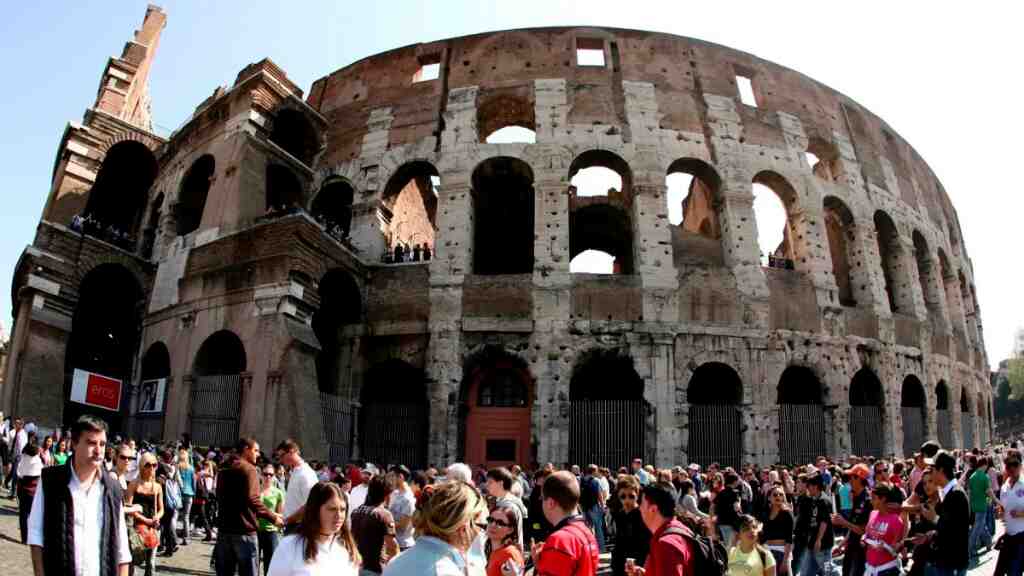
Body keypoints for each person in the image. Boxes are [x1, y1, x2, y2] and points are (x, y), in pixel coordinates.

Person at [27, 415, 132, 576]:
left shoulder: (113, 489)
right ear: (74, 443)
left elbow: (122, 551)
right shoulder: (51, 480)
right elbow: (36, 535)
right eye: (91, 443)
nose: (98, 450)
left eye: (102, 444)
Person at [382, 480, 488, 576]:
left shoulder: (397, 561)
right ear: (463, 528)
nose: (481, 532)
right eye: (481, 526)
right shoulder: (446, 571)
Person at [215, 437, 285, 576]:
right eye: (256, 450)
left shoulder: (224, 467)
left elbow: (219, 495)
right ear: (246, 449)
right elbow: (253, 499)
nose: (258, 454)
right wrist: (273, 518)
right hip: (244, 532)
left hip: (224, 530)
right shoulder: (249, 469)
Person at [267, 481, 359, 576]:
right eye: (332, 509)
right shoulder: (289, 547)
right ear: (315, 510)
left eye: (343, 509)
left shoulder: (347, 549)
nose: (339, 515)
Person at [910, 450, 970, 576]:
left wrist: (935, 518)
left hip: (953, 563)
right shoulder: (949, 493)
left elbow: (955, 530)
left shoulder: (956, 494)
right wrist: (928, 536)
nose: (930, 472)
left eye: (932, 469)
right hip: (946, 562)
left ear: (941, 470)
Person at [532, 471, 599, 576]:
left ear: (550, 503)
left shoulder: (559, 540)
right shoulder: (587, 530)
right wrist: (540, 565)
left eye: (542, 498)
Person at [629, 481, 694, 576]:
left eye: (641, 503)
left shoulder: (665, 545)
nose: (639, 508)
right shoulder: (678, 528)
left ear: (653, 509)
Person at [128, 452, 165, 576]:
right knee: (133, 561)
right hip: (136, 526)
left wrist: (157, 517)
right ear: (142, 466)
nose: (152, 468)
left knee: (151, 562)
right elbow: (128, 508)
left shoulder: (158, 486)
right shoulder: (134, 484)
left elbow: (161, 509)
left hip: (152, 528)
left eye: (154, 465)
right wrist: (144, 519)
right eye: (148, 465)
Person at [831, 463, 871, 576]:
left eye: (851, 478)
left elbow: (863, 530)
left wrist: (843, 522)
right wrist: (842, 544)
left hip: (862, 549)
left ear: (859, 478)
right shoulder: (856, 497)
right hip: (852, 546)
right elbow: (853, 524)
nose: (849, 481)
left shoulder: (868, 500)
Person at [611, 475, 651, 576]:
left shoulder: (643, 515)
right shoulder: (620, 514)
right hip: (621, 564)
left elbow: (647, 545)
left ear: (637, 495)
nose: (627, 500)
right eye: (623, 496)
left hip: (639, 565)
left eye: (631, 496)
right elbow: (619, 541)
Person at [276, 439, 318, 534]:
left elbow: (310, 504)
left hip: (299, 527)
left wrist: (287, 520)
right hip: (292, 526)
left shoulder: (306, 473)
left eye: (282, 455)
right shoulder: (295, 471)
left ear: (292, 451)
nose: (281, 460)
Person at [862, 483, 904, 576]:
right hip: (869, 569)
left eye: (873, 498)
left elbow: (896, 550)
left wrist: (886, 547)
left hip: (887, 570)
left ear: (883, 499)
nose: (870, 501)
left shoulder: (896, 520)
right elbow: (867, 534)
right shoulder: (872, 513)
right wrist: (864, 539)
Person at [795, 474, 832, 576]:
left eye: (808, 486)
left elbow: (824, 522)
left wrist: (818, 540)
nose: (807, 489)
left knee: (828, 571)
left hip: (823, 545)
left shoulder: (824, 501)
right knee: (805, 572)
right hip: (811, 543)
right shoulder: (813, 499)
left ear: (815, 486)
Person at [995, 450, 1024, 576]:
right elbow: (1003, 508)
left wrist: (1021, 514)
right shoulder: (1004, 486)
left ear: (1021, 465)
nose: (1011, 468)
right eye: (1008, 465)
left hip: (1022, 537)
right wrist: (1000, 512)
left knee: (1014, 572)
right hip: (1009, 536)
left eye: (1015, 464)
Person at [258, 464, 286, 576]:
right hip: (255, 530)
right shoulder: (255, 490)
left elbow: (281, 515)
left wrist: (266, 513)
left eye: (271, 474)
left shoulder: (278, 493)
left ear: (274, 476)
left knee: (269, 564)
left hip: (271, 531)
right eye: (265, 474)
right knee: (253, 563)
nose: (268, 477)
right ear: (261, 475)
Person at [485, 501, 525, 576]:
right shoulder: (495, 551)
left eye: (500, 523)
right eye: (490, 520)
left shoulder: (509, 554)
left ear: (510, 530)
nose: (493, 525)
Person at [760, 486, 792, 575]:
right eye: (775, 495)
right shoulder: (765, 513)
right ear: (769, 497)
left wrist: (785, 561)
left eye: (781, 494)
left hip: (782, 552)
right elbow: (762, 536)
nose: (778, 496)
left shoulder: (787, 514)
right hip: (767, 552)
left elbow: (789, 539)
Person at [968, 456, 995, 555]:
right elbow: (989, 492)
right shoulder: (985, 477)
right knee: (977, 528)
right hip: (983, 505)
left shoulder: (972, 477)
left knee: (981, 525)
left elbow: (969, 493)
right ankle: (971, 548)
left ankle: (988, 542)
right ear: (985, 465)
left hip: (974, 505)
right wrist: (994, 501)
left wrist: (970, 505)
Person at [16, 443, 43, 543]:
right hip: (33, 491)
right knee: (32, 515)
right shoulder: (37, 461)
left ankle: (24, 538)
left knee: (23, 514)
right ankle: (32, 537)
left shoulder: (24, 458)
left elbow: (20, 473)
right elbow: (40, 473)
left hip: (22, 489)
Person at [389, 465, 417, 552]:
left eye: (393, 476)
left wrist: (384, 524)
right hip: (393, 542)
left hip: (403, 546)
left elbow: (403, 524)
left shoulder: (408, 499)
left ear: (401, 477)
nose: (391, 479)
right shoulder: (395, 493)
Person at [578, 464, 606, 552]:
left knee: (587, 528)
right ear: (594, 471)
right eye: (596, 470)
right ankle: (601, 548)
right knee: (598, 528)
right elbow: (599, 495)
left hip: (584, 506)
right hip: (594, 506)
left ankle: (589, 547)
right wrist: (602, 506)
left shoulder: (581, 480)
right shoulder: (596, 481)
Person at [715, 472, 742, 547]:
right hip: (731, 523)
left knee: (727, 545)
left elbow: (714, 506)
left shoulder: (721, 492)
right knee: (731, 546)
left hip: (721, 522)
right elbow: (736, 508)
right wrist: (739, 502)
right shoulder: (735, 493)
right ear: (734, 481)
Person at [178, 449, 196, 545]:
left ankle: (175, 535)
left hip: (180, 493)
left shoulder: (178, 467)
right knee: (186, 516)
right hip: (189, 494)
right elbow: (194, 482)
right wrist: (194, 492)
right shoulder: (191, 468)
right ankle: (186, 537)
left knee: (176, 515)